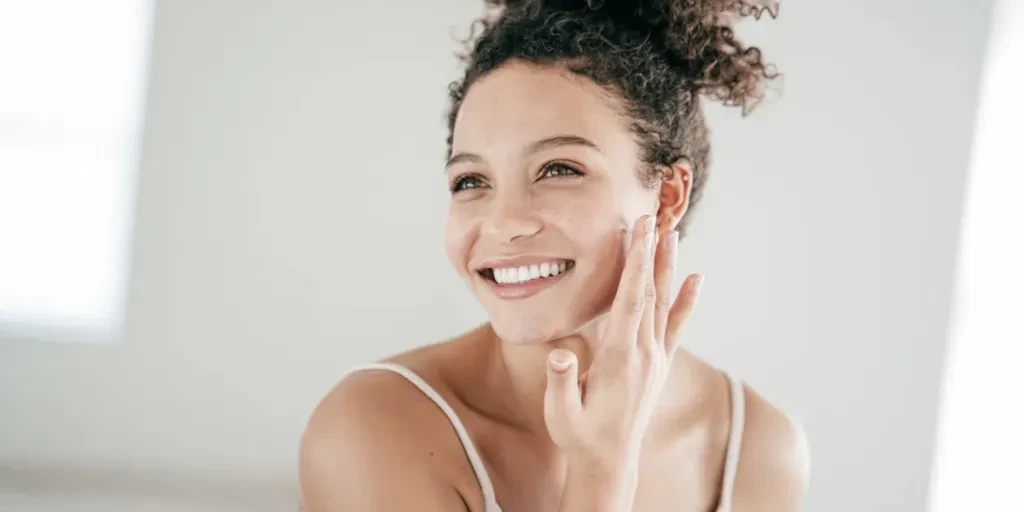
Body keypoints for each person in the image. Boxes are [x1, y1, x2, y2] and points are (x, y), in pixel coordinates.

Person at [298, 0, 810, 510]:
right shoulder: (374, 428)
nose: (502, 223)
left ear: (667, 195)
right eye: (471, 180)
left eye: (560, 169)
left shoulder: (759, 450)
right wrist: (601, 473)